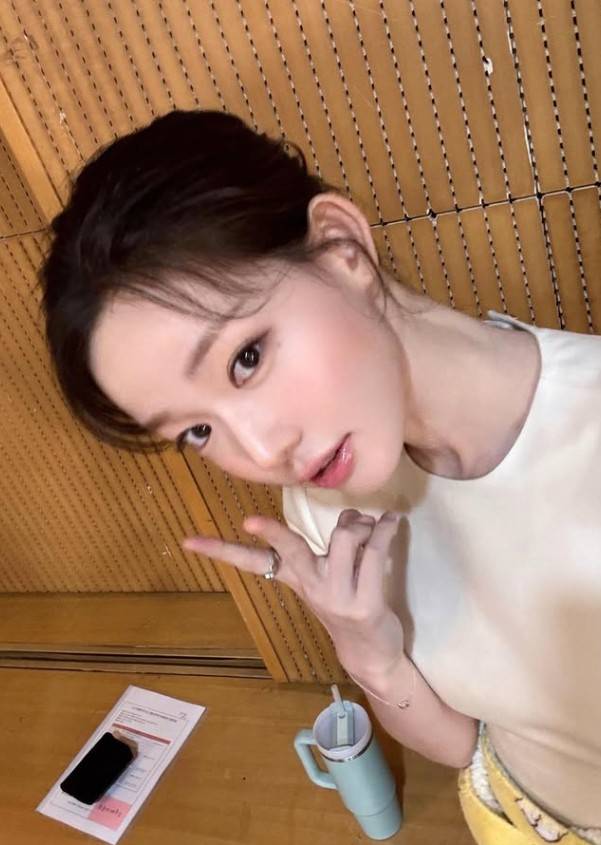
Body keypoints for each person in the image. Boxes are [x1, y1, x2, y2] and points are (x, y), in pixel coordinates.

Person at [40, 109, 601, 845]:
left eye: (246, 358)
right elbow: (472, 747)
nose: (261, 449)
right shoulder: (324, 503)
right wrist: (369, 652)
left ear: (341, 249)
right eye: (197, 431)